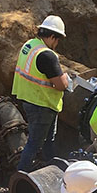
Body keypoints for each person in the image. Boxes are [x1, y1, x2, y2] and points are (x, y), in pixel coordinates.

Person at [12, 15, 71, 172]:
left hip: (29, 99)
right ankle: (21, 176)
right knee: (34, 143)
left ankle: (51, 168)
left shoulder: (30, 45)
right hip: (42, 104)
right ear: (52, 36)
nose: (57, 44)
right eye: (57, 40)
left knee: (47, 140)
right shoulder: (46, 55)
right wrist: (65, 78)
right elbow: (61, 85)